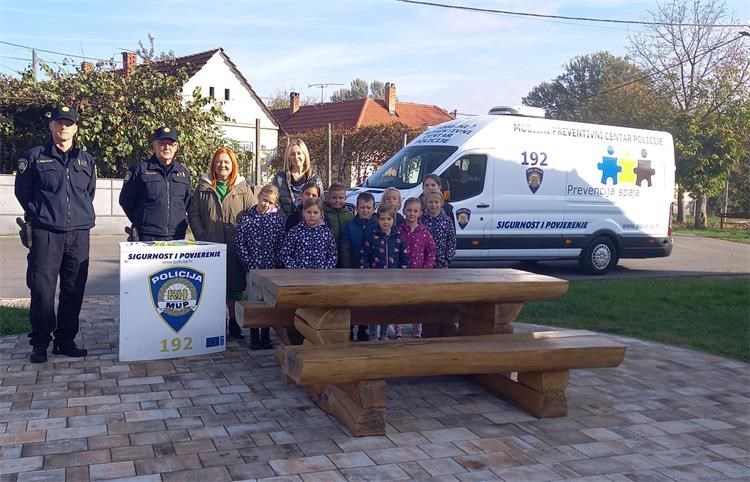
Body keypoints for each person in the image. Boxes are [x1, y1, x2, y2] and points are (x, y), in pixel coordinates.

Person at [14, 105, 95, 363]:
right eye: (59, 122)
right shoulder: (35, 157)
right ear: (51, 126)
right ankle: (40, 342)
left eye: (69, 123)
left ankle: (65, 341)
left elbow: (88, 193)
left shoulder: (86, 159)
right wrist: (41, 215)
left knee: (73, 289)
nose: (64, 127)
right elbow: (23, 192)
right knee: (42, 290)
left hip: (78, 234)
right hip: (46, 233)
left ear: (76, 128)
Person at [187, 147, 257, 340]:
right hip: (211, 245)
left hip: (235, 246)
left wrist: (245, 237)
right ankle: (217, 323)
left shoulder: (243, 188)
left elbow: (252, 213)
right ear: (213, 165)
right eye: (219, 161)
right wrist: (201, 234)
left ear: (233, 165)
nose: (222, 165)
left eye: (226, 162)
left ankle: (234, 323)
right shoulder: (203, 187)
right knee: (213, 287)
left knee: (234, 287)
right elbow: (193, 213)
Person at [235, 184, 285, 350]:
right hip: (253, 268)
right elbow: (240, 243)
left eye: (271, 203)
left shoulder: (276, 220)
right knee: (253, 301)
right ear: (259, 197)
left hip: (270, 269)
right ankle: (254, 336)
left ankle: (266, 335)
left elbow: (280, 243)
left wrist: (277, 262)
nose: (266, 205)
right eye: (265, 200)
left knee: (268, 302)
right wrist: (248, 262)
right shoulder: (246, 219)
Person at [119, 127, 191, 241]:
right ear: (154, 145)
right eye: (162, 143)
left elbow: (186, 202)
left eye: (171, 144)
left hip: (176, 235)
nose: (167, 147)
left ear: (176, 147)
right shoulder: (140, 170)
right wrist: (141, 221)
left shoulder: (183, 173)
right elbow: (126, 200)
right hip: (147, 235)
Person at [360, 203, 409, 340]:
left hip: (392, 280)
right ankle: (373, 335)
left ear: (394, 220)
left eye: (389, 219)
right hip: (374, 280)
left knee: (387, 308)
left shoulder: (398, 237)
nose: (385, 222)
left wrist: (401, 273)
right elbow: (364, 256)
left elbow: (404, 257)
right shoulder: (371, 236)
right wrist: (366, 273)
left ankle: (384, 334)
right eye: (382, 219)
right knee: (374, 308)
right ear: (378, 219)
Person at [395, 197, 436, 339]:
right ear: (404, 211)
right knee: (399, 302)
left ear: (420, 213)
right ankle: (398, 330)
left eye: (415, 211)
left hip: (418, 273)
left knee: (417, 302)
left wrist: (426, 268)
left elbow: (431, 250)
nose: (412, 214)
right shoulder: (398, 230)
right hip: (401, 273)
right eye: (409, 210)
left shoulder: (424, 232)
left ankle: (418, 329)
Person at [340, 192, 377, 341]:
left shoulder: (377, 225)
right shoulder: (350, 225)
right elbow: (345, 248)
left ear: (373, 208)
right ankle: (349, 328)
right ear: (357, 208)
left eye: (368, 207)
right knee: (350, 300)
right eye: (362, 207)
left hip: (370, 271)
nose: (365, 210)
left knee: (365, 301)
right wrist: (347, 269)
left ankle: (363, 328)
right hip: (353, 268)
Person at [272, 139, 324, 222]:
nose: (296, 157)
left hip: (309, 224)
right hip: (286, 224)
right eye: (292, 154)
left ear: (304, 154)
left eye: (299, 153)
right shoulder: (279, 178)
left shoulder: (315, 179)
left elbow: (321, 203)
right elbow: (275, 202)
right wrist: (286, 221)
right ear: (289, 157)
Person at [280, 198, 337, 269]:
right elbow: (285, 254)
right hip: (300, 273)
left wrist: (326, 269)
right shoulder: (295, 231)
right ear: (303, 213)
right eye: (309, 212)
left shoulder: (326, 232)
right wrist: (295, 269)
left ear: (321, 214)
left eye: (315, 212)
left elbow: (333, 255)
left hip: (321, 273)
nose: (312, 215)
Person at [421, 191, 456, 269]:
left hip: (441, 262)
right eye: (430, 202)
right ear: (425, 203)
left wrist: (448, 258)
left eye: (436, 202)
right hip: (423, 261)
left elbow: (451, 240)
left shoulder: (447, 220)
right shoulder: (421, 219)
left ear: (441, 203)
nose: (433, 205)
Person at [324, 182, 353, 267]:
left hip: (345, 255)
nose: (337, 201)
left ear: (345, 198)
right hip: (328, 254)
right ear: (328, 198)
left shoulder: (350, 216)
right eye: (334, 198)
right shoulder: (323, 214)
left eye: (341, 198)